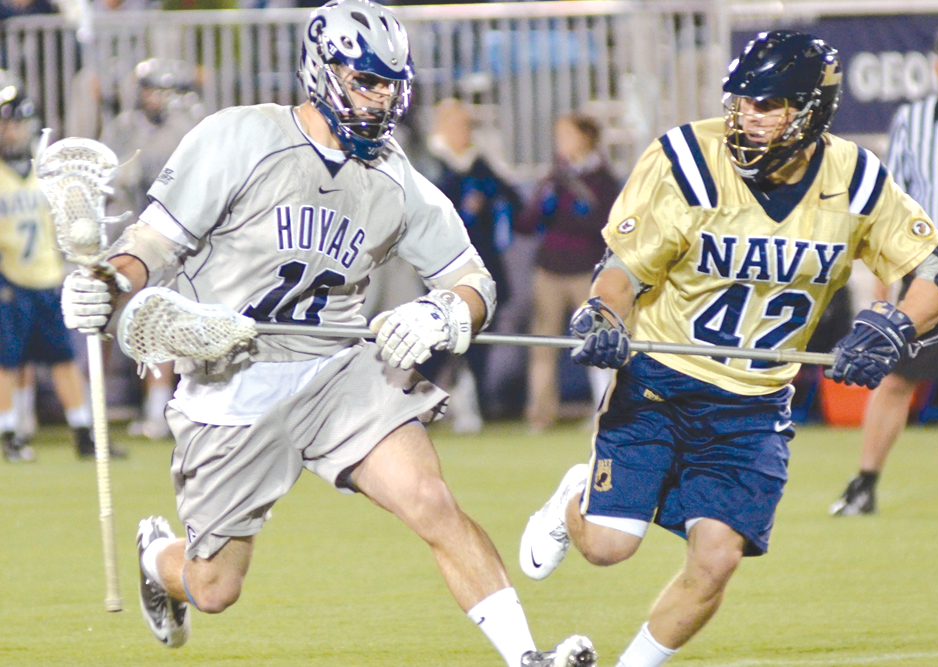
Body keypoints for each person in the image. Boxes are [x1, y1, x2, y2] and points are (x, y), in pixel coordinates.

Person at [59, 2, 594, 666]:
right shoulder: (241, 137)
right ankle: (156, 556)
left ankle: (525, 655)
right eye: (366, 80)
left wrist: (444, 314)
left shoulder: (394, 175)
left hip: (337, 369)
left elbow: (472, 280)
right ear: (321, 70)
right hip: (232, 379)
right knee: (215, 585)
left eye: (392, 83)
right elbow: (151, 243)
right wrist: (107, 284)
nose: (383, 98)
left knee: (431, 499)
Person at [517, 30, 938, 666]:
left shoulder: (856, 180)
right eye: (742, 103)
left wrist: (896, 324)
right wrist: (603, 312)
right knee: (608, 547)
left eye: (767, 105)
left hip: (753, 404)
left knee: (717, 558)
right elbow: (622, 267)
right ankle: (573, 499)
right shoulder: (685, 157)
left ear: (810, 110)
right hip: (661, 379)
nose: (747, 117)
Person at [831, 21, 938, 516]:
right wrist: (884, 294)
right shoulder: (911, 120)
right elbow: (891, 203)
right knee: (898, 374)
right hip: (932, 259)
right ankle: (864, 482)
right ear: (936, 65)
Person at [0, 72, 125, 461]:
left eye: (16, 124)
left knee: (63, 360)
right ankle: (9, 434)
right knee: (6, 362)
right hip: (10, 279)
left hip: (48, 277)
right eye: (6, 125)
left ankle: (84, 433)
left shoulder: (44, 172)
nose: (12, 132)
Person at [101, 57, 201, 440]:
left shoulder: (186, 128)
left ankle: (160, 410)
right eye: (149, 90)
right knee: (105, 319)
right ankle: (100, 403)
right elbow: (107, 179)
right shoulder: (123, 128)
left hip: (174, 242)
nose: (154, 98)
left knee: (162, 323)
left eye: (161, 90)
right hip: (129, 237)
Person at [515, 113, 620, 432]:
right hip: (550, 270)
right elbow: (527, 224)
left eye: (567, 135)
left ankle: (605, 412)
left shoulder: (603, 180)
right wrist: (545, 198)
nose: (561, 142)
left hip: (587, 271)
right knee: (543, 346)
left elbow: (605, 226)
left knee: (597, 341)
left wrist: (571, 213)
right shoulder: (553, 177)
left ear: (587, 138)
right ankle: (540, 415)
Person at [424, 98, 521, 432]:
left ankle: (473, 403)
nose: (463, 132)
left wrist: (490, 199)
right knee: (436, 342)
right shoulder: (428, 163)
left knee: (478, 340)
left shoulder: (480, 164)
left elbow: (514, 201)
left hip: (481, 265)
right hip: (438, 269)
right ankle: (422, 406)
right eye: (456, 124)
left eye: (467, 125)